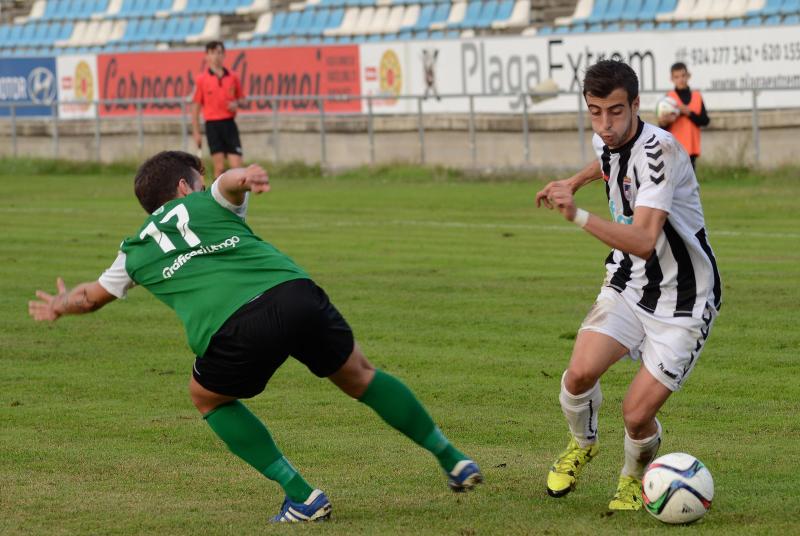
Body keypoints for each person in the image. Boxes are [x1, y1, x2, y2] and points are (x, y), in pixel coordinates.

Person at [28, 151, 483, 523]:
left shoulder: (134, 250)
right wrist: (246, 176)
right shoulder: (209, 200)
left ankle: (303, 496)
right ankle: (454, 459)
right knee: (360, 375)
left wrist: (58, 305)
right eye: (198, 181)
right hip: (294, 292)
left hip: (235, 326)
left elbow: (90, 297)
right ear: (186, 187)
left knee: (207, 396)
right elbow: (229, 182)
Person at [535, 60, 722, 511]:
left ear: (637, 105)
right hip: (629, 284)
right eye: (595, 112)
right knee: (578, 375)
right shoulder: (609, 138)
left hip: (684, 301)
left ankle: (633, 477)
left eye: (616, 112)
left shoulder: (660, 152)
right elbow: (607, 161)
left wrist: (576, 215)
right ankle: (582, 443)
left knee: (637, 416)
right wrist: (573, 181)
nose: (605, 125)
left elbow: (641, 240)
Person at [192, 41, 246, 179]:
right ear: (207, 56)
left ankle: (238, 199)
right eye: (213, 53)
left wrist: (236, 103)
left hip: (229, 124)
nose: (216, 56)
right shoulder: (202, 79)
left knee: (237, 167)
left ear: (224, 55)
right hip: (213, 126)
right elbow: (196, 108)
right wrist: (196, 132)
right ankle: (218, 199)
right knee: (220, 167)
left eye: (219, 53)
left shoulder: (233, 77)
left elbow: (243, 99)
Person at [658, 62, 710, 169]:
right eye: (676, 77)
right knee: (675, 184)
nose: (680, 79)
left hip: (691, 148)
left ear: (688, 76)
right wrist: (666, 121)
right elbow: (662, 127)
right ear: (671, 79)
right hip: (674, 149)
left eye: (683, 76)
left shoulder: (697, 96)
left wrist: (688, 113)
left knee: (691, 184)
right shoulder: (668, 99)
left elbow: (705, 121)